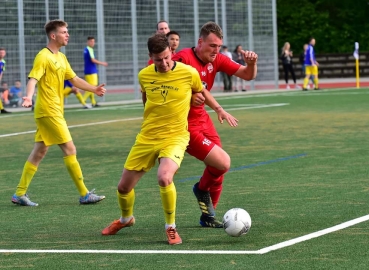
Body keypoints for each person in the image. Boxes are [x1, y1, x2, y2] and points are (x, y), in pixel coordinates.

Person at [101, 33, 205, 245]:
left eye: (167, 57)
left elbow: (200, 92)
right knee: (123, 188)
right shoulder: (144, 75)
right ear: (150, 57)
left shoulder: (188, 73)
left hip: (175, 136)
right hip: (147, 137)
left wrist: (210, 105)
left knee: (164, 177)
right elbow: (146, 99)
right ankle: (126, 219)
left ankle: (170, 227)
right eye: (159, 59)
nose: (164, 63)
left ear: (171, 53)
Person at [11, 19, 106, 206]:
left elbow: (75, 78)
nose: (67, 34)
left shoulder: (61, 58)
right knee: (70, 149)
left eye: (67, 31)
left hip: (54, 110)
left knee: (39, 151)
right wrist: (29, 96)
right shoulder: (43, 56)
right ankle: (84, 194)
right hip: (48, 110)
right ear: (53, 36)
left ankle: (19, 194)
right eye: (64, 32)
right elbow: (32, 79)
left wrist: (93, 89)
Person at [172, 21, 257, 227]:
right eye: (212, 46)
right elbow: (166, 86)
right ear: (200, 42)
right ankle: (201, 189)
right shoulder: (182, 58)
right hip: (184, 125)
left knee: (219, 167)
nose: (216, 51)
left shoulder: (216, 59)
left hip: (203, 119)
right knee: (222, 162)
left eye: (219, 47)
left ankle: (209, 217)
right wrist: (190, 99)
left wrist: (251, 63)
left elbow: (247, 75)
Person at [83, 36, 108, 107]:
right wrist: (103, 63)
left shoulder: (85, 49)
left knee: (91, 87)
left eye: (93, 41)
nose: (93, 43)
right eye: (91, 41)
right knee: (92, 87)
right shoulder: (89, 49)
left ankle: (93, 102)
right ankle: (83, 101)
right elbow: (93, 60)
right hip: (91, 71)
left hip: (87, 71)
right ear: (88, 42)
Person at [0, 48, 10, 114]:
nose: (1, 54)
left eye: (3, 53)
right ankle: (2, 109)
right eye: (0, 53)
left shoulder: (3, 62)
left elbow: (1, 72)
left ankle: (2, 109)